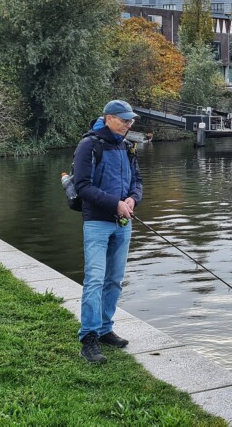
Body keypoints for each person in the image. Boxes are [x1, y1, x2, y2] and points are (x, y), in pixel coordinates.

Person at [73, 99, 143, 364]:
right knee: (94, 279)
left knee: (114, 279)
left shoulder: (127, 146)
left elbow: (137, 181)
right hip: (97, 223)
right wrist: (115, 204)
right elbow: (82, 186)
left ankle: (104, 329)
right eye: (124, 120)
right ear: (108, 118)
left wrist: (133, 199)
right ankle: (88, 338)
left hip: (123, 223)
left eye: (130, 120)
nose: (128, 124)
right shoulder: (88, 145)